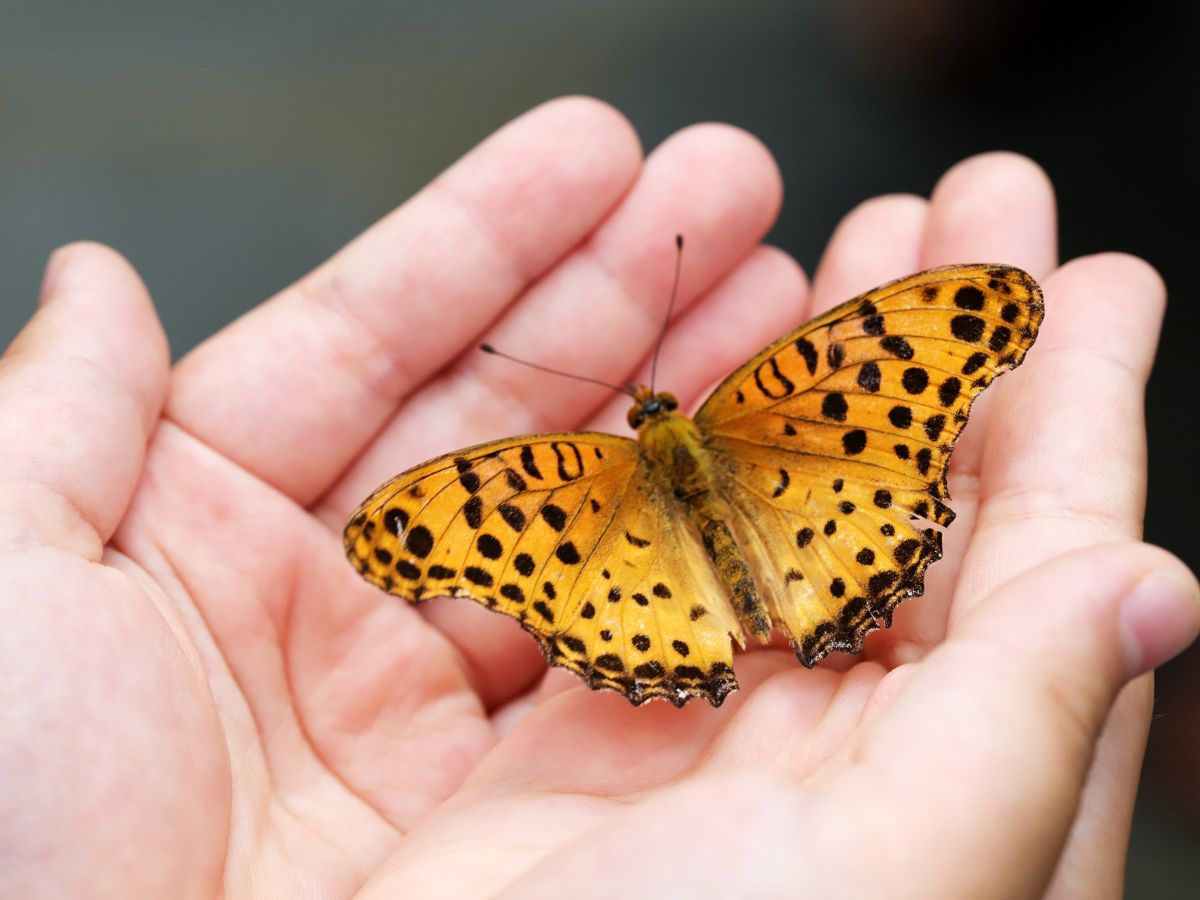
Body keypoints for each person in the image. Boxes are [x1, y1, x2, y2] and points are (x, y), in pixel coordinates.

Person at [2, 96, 1196, 898]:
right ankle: (813, 603)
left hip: (644, 595)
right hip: (827, 521)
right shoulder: (776, 389)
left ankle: (724, 633)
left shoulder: (548, 479)